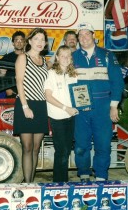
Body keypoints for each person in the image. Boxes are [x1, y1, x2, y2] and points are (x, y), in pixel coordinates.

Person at [72, 22, 124, 182]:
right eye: (80, 35)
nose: (84, 37)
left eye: (87, 34)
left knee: (103, 144)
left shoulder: (107, 55)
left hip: (102, 108)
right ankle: (84, 174)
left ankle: (101, 176)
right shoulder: (72, 57)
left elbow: (118, 82)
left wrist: (114, 106)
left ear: (94, 36)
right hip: (80, 109)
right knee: (81, 145)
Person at [13, 28, 49, 183]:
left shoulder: (45, 62)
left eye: (42, 39)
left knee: (36, 148)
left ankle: (31, 181)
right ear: (30, 41)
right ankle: (27, 185)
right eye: (36, 39)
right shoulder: (23, 58)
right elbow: (19, 82)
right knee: (27, 147)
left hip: (41, 106)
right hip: (26, 104)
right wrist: (25, 107)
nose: (40, 42)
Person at [44, 45, 79, 182]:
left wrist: (81, 106)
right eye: (62, 56)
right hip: (57, 117)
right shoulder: (51, 73)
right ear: (57, 58)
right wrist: (66, 108)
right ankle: (59, 183)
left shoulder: (74, 74)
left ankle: (62, 182)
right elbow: (48, 96)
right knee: (61, 152)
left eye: (68, 56)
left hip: (71, 117)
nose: (65, 58)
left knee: (67, 151)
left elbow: (78, 94)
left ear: (71, 58)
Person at [1, 31, 26, 98]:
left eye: (21, 40)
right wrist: (7, 89)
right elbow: (1, 75)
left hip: (26, 92)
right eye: (16, 40)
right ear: (13, 43)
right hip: (11, 92)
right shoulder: (7, 58)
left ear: (24, 43)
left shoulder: (29, 57)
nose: (19, 43)